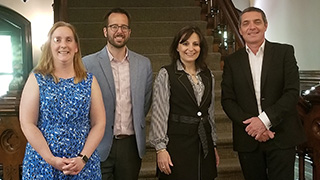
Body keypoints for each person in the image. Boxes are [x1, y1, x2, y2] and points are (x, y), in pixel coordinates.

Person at [221, 7, 307, 180]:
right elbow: (228, 100)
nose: (252, 27)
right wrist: (254, 127)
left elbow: (291, 92)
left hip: (282, 134)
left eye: (257, 22)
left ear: (266, 25)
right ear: (240, 30)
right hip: (248, 137)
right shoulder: (231, 61)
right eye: (246, 23)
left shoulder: (284, 52)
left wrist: (264, 121)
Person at [19, 21, 106, 179]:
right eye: (57, 40)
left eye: (68, 40)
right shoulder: (36, 79)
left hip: (82, 166)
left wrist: (83, 158)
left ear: (76, 47)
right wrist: (51, 159)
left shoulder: (89, 81)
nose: (63, 45)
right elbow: (27, 123)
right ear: (49, 46)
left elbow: (99, 123)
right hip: (42, 164)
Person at [82, 8, 153, 180]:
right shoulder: (87, 64)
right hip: (98, 144)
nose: (119, 31)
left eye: (123, 27)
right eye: (114, 26)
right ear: (105, 31)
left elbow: (145, 102)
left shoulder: (144, 64)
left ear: (129, 32)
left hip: (131, 145)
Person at [149, 25, 219, 180]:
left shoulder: (208, 75)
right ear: (177, 47)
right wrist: (161, 149)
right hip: (177, 145)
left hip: (204, 144)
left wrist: (213, 144)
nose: (190, 48)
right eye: (185, 43)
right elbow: (159, 114)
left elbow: (210, 112)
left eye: (195, 44)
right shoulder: (166, 74)